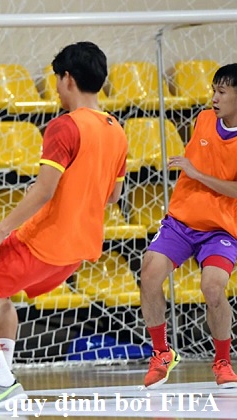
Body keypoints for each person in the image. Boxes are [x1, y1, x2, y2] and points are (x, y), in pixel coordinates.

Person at [0, 41, 128, 410]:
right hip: (78, 249)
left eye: (56, 79)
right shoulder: (117, 130)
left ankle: (3, 384)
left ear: (67, 79)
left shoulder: (65, 126)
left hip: (43, 241)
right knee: (0, 297)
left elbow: (45, 189)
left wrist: (1, 229)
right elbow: (113, 196)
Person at [139, 63, 237, 390]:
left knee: (212, 287)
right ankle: (161, 353)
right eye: (213, 90)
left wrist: (197, 174)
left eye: (222, 92)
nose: (214, 98)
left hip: (221, 229)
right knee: (150, 270)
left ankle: (222, 359)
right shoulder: (204, 119)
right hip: (181, 222)